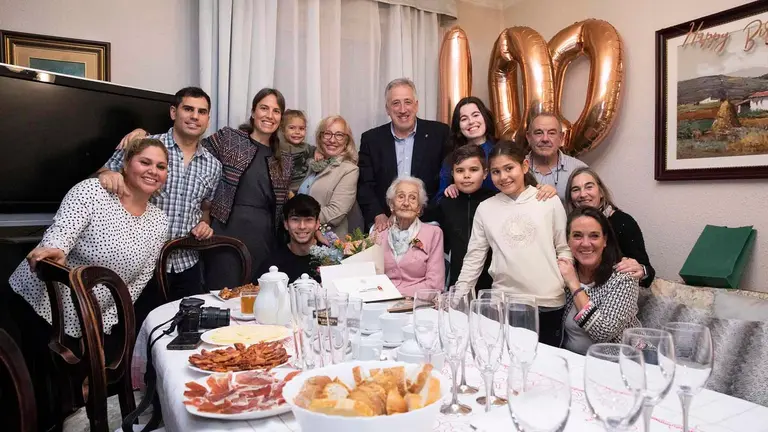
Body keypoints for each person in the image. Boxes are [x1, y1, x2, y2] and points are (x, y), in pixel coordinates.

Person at [7, 138, 169, 430]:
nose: (153, 171)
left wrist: (101, 321)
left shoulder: (159, 220)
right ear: (126, 163)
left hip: (91, 317)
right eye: (145, 162)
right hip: (40, 307)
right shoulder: (93, 191)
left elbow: (140, 278)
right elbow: (61, 235)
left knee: (75, 398)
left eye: (161, 166)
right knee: (35, 395)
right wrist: (53, 249)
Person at [117, 88, 293, 290]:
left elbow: (283, 202)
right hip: (227, 230)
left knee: (257, 294)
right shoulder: (230, 138)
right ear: (253, 112)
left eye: (276, 111)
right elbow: (190, 143)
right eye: (264, 108)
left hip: (264, 236)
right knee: (221, 292)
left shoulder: (285, 159)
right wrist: (144, 136)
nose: (269, 115)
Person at [100, 86, 221, 300]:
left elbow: (205, 209)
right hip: (142, 262)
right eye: (188, 109)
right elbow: (103, 174)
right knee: (138, 328)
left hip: (187, 265)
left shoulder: (213, 165)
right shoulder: (147, 146)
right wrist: (108, 175)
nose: (195, 116)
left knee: (185, 329)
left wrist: (205, 224)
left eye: (202, 112)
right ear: (174, 112)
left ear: (208, 119)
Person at [456, 141, 571, 347]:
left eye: (509, 168)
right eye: (496, 171)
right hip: (504, 302)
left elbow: (564, 248)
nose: (503, 177)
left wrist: (567, 284)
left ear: (524, 166)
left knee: (545, 368)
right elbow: (474, 257)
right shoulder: (486, 208)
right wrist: (458, 299)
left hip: (547, 302)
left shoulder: (548, 200)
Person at [357, 78, 450, 231]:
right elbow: (365, 184)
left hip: (429, 222)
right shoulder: (371, 139)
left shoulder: (439, 133)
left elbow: (446, 180)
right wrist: (377, 214)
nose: (402, 109)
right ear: (387, 108)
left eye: (407, 102)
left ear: (416, 105)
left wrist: (421, 216)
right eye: (395, 103)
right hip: (385, 224)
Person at [557, 206, 641, 354]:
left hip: (622, 364)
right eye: (577, 235)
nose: (585, 243)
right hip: (574, 363)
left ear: (605, 240)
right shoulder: (563, 271)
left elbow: (603, 332)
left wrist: (574, 285)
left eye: (594, 236)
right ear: (568, 241)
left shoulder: (624, 278)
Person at [565, 167, 655, 288]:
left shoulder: (623, 222)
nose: (583, 194)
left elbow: (648, 273)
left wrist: (641, 270)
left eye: (589, 187)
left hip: (614, 296)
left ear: (601, 192)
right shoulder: (567, 225)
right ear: (570, 197)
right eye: (576, 189)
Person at [433, 145, 494, 295]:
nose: (466, 175)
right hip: (457, 280)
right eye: (460, 171)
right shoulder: (446, 203)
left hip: (492, 283)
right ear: (452, 173)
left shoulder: (495, 201)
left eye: (473, 170)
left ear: (485, 173)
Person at [377, 176, 445, 297]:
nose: (406, 203)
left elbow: (435, 285)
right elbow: (370, 279)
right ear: (391, 205)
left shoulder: (433, 233)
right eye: (401, 197)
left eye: (413, 198)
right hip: (383, 302)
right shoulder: (378, 236)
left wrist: (395, 293)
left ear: (419, 208)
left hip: (418, 304)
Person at [298, 115, 359, 237]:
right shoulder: (314, 164)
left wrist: (297, 218)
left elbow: (335, 213)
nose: (332, 140)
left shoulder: (349, 170)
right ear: (320, 137)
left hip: (328, 243)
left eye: (339, 135)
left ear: (347, 140)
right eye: (327, 133)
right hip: (301, 239)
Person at [437, 97, 497, 199]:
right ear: (458, 126)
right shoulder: (451, 158)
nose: (471, 121)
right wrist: (449, 190)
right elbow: (439, 200)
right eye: (464, 119)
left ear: (485, 117)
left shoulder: (500, 151)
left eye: (475, 115)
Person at [257, 194, 321, 282]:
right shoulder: (272, 264)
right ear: (286, 224)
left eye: (308, 220)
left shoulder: (332, 260)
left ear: (317, 224)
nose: (302, 226)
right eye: (295, 220)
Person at [525, 113, 588, 202]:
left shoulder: (578, 169)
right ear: (528, 138)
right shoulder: (515, 168)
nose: (545, 139)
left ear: (561, 138)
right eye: (539, 133)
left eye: (551, 133)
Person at [280, 109, 315, 193]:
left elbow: (319, 150)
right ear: (283, 130)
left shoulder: (306, 147)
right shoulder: (279, 147)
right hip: (285, 190)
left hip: (305, 188)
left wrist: (319, 153)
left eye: (301, 128)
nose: (297, 132)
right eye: (292, 128)